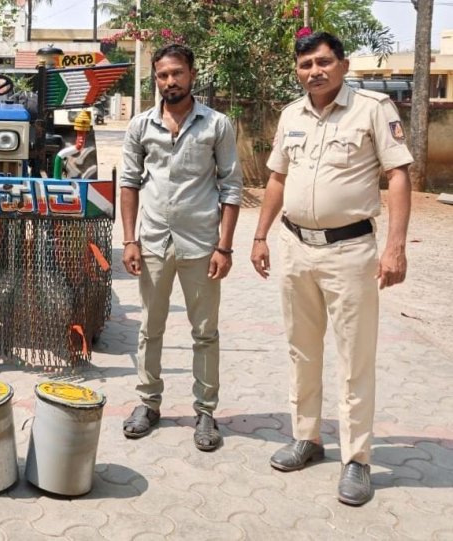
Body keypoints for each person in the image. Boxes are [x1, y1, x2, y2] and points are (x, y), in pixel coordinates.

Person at [250, 32, 412, 506]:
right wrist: (260, 236)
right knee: (302, 349)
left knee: (353, 357)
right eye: (305, 65)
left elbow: (398, 174)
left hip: (350, 252)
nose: (314, 72)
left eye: (323, 62)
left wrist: (396, 248)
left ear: (342, 64)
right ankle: (308, 438)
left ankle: (357, 458)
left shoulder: (372, 108)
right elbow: (277, 178)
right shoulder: (290, 115)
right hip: (296, 247)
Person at [120, 44, 243, 451]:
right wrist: (130, 240)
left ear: (191, 73)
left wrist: (224, 247)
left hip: (202, 245)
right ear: (154, 78)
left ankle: (206, 412)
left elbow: (231, 186)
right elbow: (130, 183)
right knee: (149, 329)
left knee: (205, 332)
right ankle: (148, 404)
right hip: (153, 241)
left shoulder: (216, 125)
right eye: (161, 75)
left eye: (176, 73)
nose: (169, 82)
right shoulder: (141, 126)